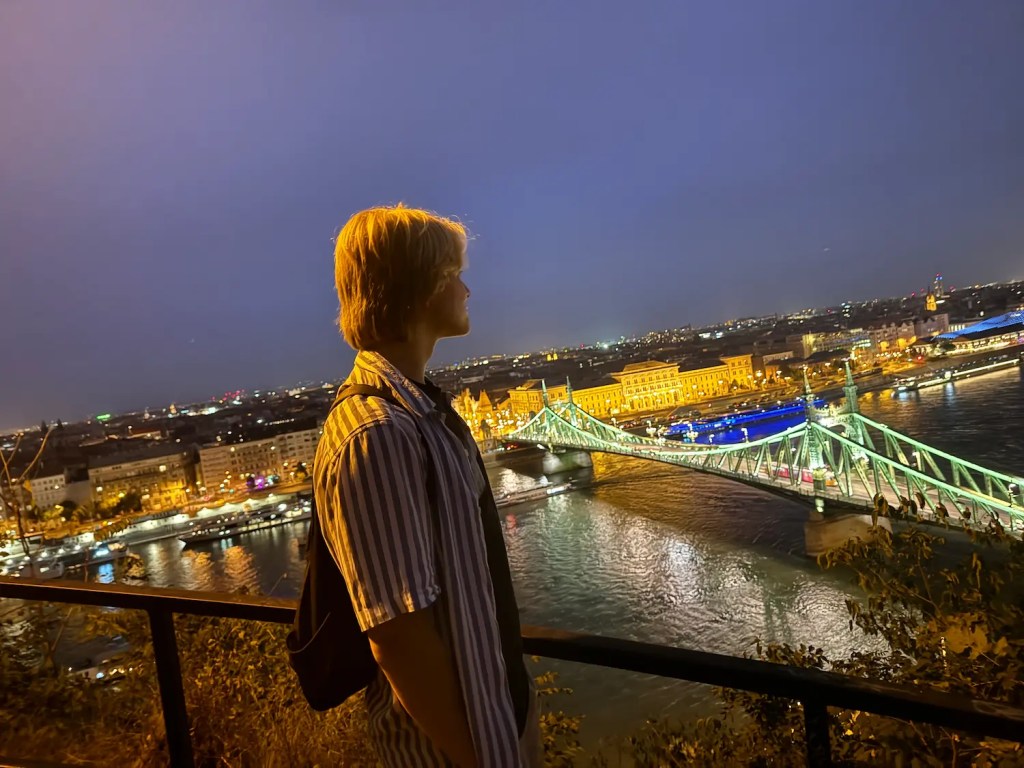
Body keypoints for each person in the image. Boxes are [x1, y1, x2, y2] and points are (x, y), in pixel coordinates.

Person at [315, 205, 541, 766]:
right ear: (419, 288)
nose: (467, 288)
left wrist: (521, 708)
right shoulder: (378, 436)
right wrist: (485, 758)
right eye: (453, 274)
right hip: (449, 752)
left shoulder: (421, 414)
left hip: (495, 723)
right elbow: (399, 636)